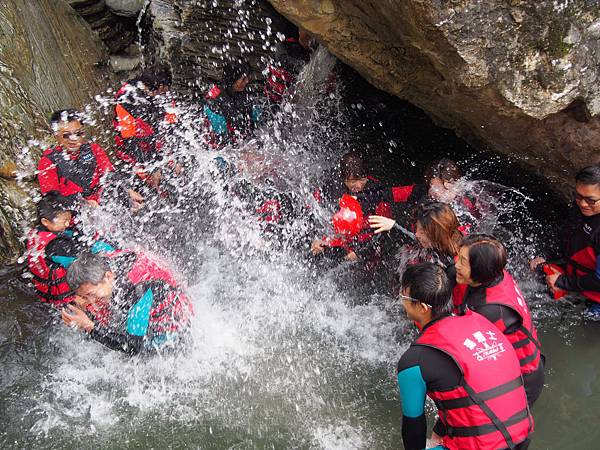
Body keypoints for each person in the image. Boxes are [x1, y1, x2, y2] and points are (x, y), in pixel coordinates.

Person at [397, 263, 533, 450]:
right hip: (521, 437)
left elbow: (413, 429)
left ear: (422, 308)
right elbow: (471, 388)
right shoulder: (480, 321)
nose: (401, 301)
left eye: (404, 296)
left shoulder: (414, 361)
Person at [456, 234, 544, 407]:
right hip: (532, 362)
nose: (456, 265)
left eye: (462, 261)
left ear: (479, 269)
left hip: (521, 382)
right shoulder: (497, 274)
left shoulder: (488, 310)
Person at [61, 251, 194, 355]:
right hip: (144, 306)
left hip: (173, 328)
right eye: (84, 296)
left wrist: (89, 326)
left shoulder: (137, 290)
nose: (91, 302)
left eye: (91, 295)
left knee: (141, 352)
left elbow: (133, 348)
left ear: (108, 277)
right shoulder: (105, 266)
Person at [530, 165, 600, 319]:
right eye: (579, 196)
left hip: (595, 294)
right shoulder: (579, 209)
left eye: (591, 200)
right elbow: (566, 236)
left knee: (588, 324)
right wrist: (545, 255)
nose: (583, 203)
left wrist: (562, 282)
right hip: (577, 274)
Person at [370, 201, 468, 305]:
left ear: (437, 234)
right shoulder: (437, 244)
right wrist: (394, 226)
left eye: (422, 231)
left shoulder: (454, 266)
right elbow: (413, 239)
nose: (417, 234)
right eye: (417, 228)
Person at [310, 152, 393, 262]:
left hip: (366, 244)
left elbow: (384, 231)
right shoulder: (330, 188)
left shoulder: (376, 192)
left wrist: (361, 253)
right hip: (339, 240)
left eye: (362, 179)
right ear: (344, 178)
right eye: (353, 181)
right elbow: (312, 212)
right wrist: (315, 238)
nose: (359, 186)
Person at [38, 109, 113, 207]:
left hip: (105, 206)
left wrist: (128, 191)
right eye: (66, 135)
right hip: (75, 215)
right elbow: (51, 200)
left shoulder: (94, 149)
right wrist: (83, 204)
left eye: (78, 133)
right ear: (56, 135)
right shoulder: (48, 161)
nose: (73, 139)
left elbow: (110, 175)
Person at [390, 158, 480, 230]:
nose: (437, 192)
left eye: (445, 188)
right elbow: (389, 194)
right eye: (433, 187)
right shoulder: (422, 192)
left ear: (456, 185)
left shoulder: (465, 207)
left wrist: (396, 226)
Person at [26, 193, 78, 304]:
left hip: (45, 294)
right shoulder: (57, 245)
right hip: (65, 299)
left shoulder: (37, 234)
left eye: (69, 219)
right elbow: (78, 266)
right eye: (64, 221)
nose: (68, 223)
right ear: (45, 221)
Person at [204, 59, 260, 147]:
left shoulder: (244, 93)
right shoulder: (215, 100)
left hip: (242, 141)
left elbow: (256, 118)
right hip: (221, 147)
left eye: (247, 77)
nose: (247, 81)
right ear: (233, 79)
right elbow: (218, 137)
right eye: (243, 79)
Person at [264, 25, 313, 103]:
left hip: (294, 102)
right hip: (271, 99)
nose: (309, 36)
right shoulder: (284, 45)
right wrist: (303, 67)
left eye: (312, 33)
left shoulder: (314, 55)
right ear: (299, 30)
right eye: (306, 31)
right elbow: (281, 59)